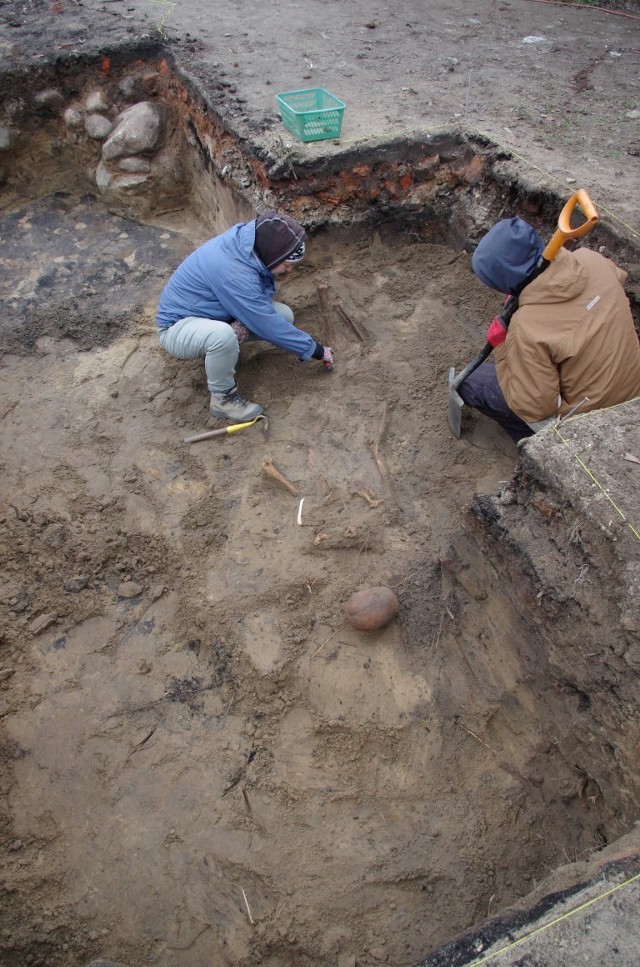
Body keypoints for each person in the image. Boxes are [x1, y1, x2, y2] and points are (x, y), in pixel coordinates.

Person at [459, 217, 640, 443]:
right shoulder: (590, 259)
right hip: (633, 390)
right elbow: (617, 278)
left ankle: (534, 451)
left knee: (473, 383)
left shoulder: (526, 326)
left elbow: (535, 407)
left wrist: (502, 347)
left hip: (588, 423)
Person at [156, 210, 334, 421]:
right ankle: (223, 399)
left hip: (211, 315)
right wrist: (314, 350)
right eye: (286, 265)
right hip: (178, 327)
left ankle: (222, 353)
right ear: (273, 254)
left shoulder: (250, 244)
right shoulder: (232, 271)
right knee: (222, 336)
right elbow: (265, 322)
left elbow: (262, 299)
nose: (289, 271)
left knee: (284, 315)